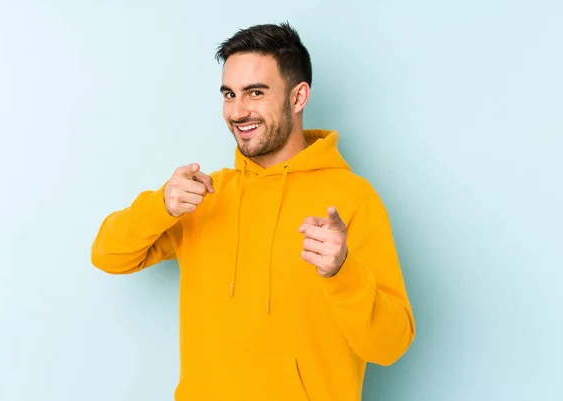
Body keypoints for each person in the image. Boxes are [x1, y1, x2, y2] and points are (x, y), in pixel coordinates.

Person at [91, 22, 415, 401]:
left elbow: (390, 346)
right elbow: (108, 256)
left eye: (255, 93)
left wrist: (342, 272)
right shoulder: (204, 195)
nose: (238, 111)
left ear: (298, 97)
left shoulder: (352, 200)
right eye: (229, 94)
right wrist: (160, 205)